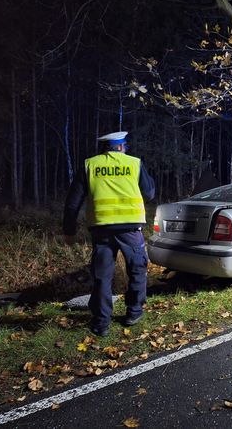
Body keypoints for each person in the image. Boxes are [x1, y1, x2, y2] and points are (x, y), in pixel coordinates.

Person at [63, 131, 155, 336]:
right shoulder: (134, 163)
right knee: (137, 270)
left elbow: (72, 203)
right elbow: (149, 194)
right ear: (121, 147)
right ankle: (133, 312)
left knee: (102, 276)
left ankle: (101, 323)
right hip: (131, 229)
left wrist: (69, 231)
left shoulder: (89, 165)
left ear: (104, 147)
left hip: (102, 230)